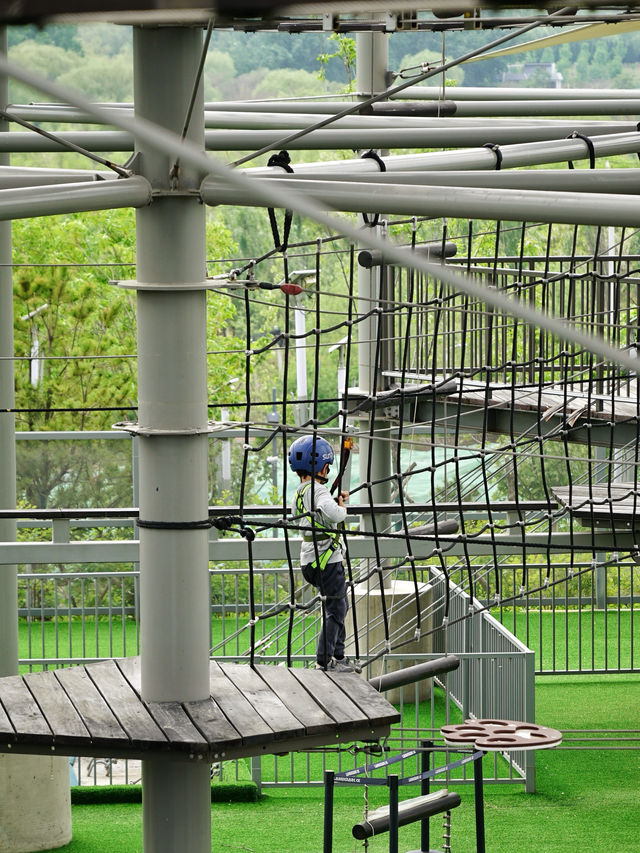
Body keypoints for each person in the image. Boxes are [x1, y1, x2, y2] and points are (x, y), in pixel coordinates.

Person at [289, 434, 360, 673]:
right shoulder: (317, 491)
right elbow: (336, 515)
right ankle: (327, 660)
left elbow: (319, 513)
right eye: (327, 465)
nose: (328, 469)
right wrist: (342, 506)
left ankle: (337, 655)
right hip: (327, 561)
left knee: (338, 606)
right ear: (319, 465)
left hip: (310, 561)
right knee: (337, 609)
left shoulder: (300, 492)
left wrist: (332, 500)